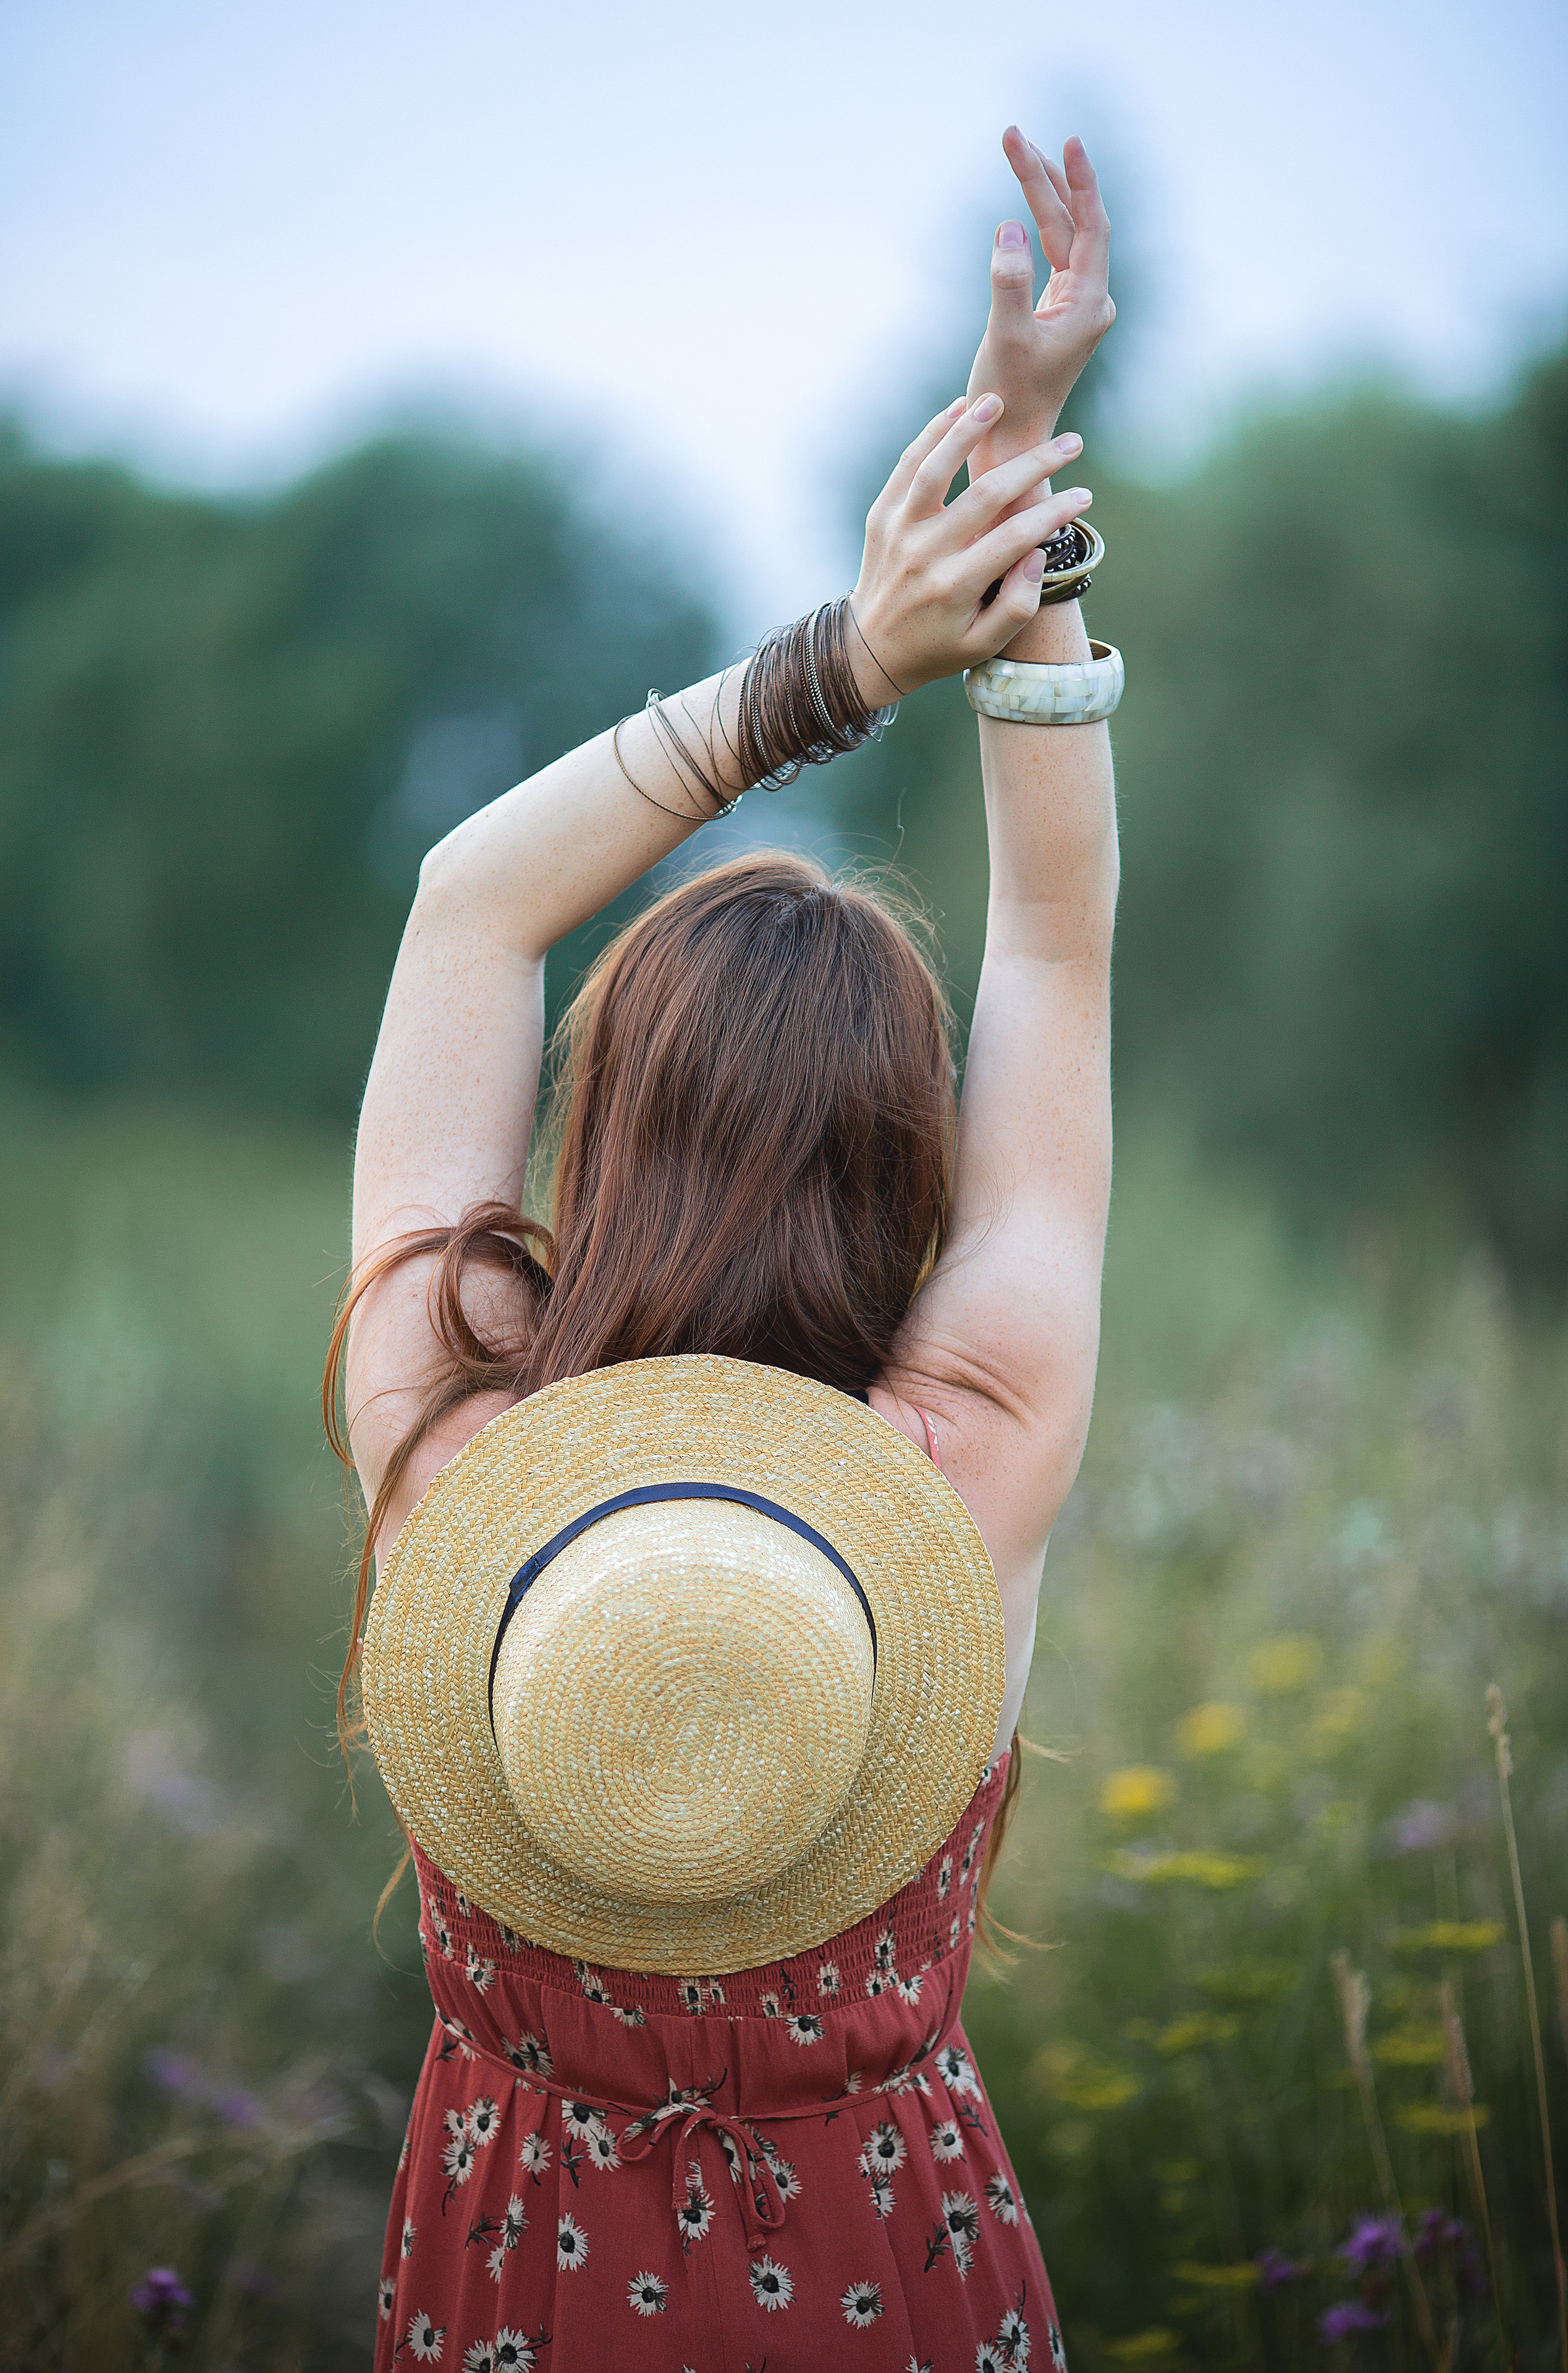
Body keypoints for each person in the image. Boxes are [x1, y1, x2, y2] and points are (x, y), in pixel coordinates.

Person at [329, 124, 1116, 2373]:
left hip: (513, 2285)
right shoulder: (970, 1454)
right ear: (910, 1164)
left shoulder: (454, 1463)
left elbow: (471, 899)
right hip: (894, 2276)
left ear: (607, 1124)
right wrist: (1019, 484)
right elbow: (1055, 947)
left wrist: (834, 670)